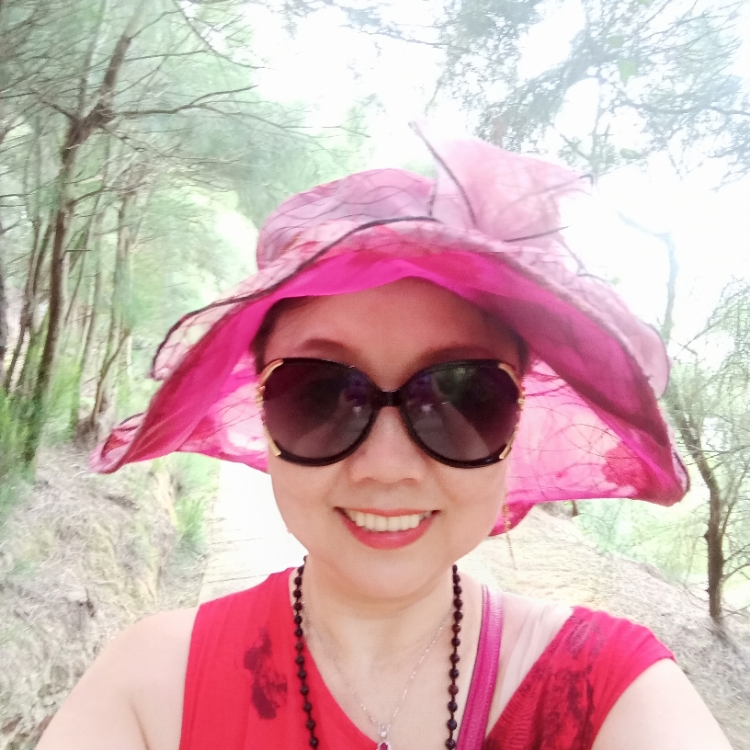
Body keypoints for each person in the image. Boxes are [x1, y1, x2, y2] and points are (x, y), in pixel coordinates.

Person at [37, 124, 732, 750]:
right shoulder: (148, 692)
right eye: (319, 392)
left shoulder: (609, 692)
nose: (387, 466)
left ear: (516, 417)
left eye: (462, 395)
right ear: (263, 408)